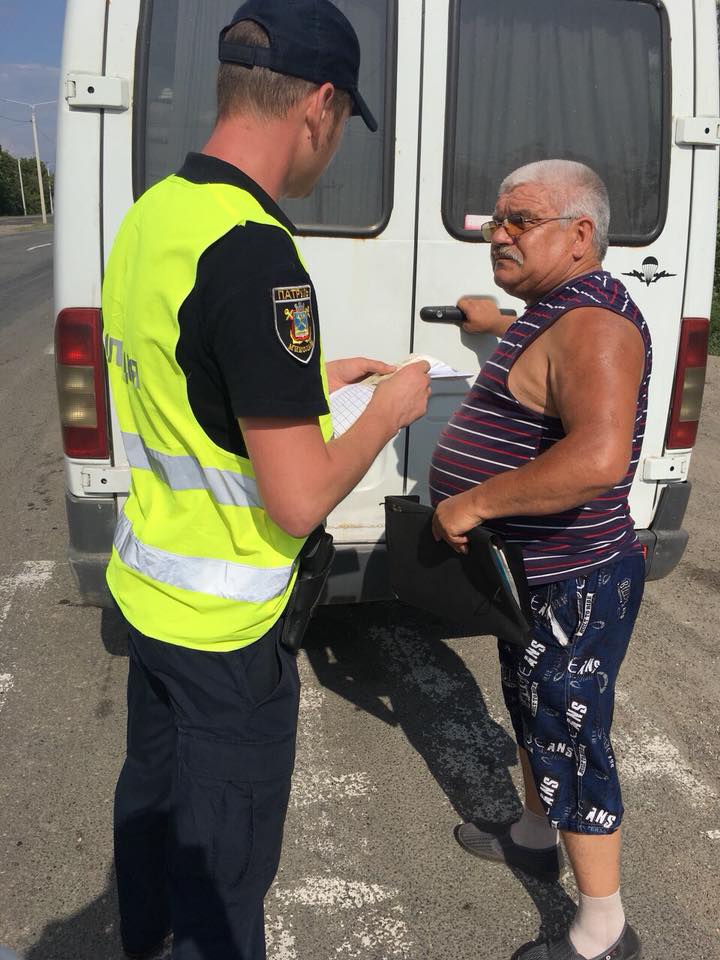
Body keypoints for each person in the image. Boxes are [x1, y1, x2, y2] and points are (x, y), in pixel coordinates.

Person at [102, 3, 430, 959]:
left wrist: (313, 382)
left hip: (152, 603)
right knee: (222, 882)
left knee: (153, 834)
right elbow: (295, 499)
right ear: (319, 106)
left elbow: (185, 377)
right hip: (227, 638)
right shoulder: (256, 250)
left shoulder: (157, 214)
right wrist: (387, 412)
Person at [430, 160, 650, 960]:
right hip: (535, 575)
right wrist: (490, 324)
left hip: (575, 580)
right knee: (530, 711)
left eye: (521, 220)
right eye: (496, 219)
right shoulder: (555, 308)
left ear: (581, 234)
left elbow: (597, 459)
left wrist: (476, 501)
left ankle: (604, 927)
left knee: (573, 736)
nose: (499, 233)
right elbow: (545, 381)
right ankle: (531, 834)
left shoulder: (594, 325)